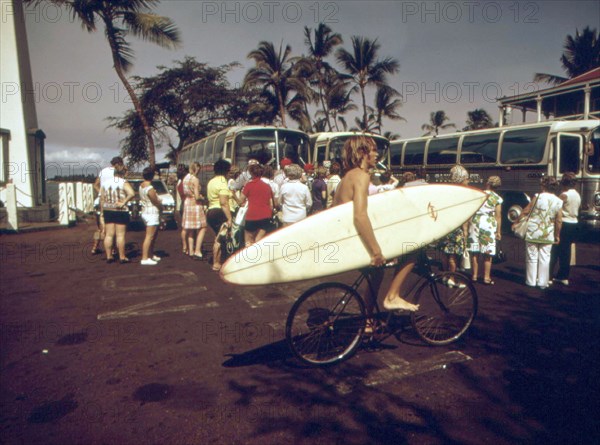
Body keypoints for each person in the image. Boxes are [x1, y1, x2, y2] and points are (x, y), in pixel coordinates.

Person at [333, 136, 418, 333]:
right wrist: (376, 250)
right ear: (362, 153)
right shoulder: (361, 176)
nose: (377, 154)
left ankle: (368, 321)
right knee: (413, 247)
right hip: (359, 241)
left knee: (376, 275)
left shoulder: (344, 179)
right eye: (373, 150)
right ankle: (392, 296)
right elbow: (360, 216)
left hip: (349, 239)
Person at [513, 176, 563, 289]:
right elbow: (559, 220)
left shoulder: (537, 196)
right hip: (548, 233)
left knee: (531, 257)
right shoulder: (559, 201)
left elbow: (526, 211)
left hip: (533, 231)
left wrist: (516, 221)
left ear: (543, 185)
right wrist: (557, 235)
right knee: (545, 258)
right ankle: (543, 283)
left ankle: (530, 281)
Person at [437, 165, 470, 285]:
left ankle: (446, 276)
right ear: (460, 179)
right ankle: (452, 278)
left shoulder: (447, 192)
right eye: (466, 178)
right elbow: (464, 215)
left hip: (446, 227)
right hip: (456, 229)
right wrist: (465, 230)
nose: (468, 181)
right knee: (454, 255)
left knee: (445, 254)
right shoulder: (463, 194)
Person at [467, 176, 503, 284]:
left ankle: (474, 275)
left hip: (476, 221)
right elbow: (498, 216)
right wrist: (498, 231)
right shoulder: (497, 198)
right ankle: (486, 277)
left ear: (487, 183)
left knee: (475, 251)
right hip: (488, 223)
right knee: (488, 252)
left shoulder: (479, 194)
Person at [99, 160, 135, 264]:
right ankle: (122, 257)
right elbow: (132, 193)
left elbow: (102, 198)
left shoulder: (105, 183)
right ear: (123, 173)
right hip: (120, 210)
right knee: (120, 235)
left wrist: (102, 212)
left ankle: (109, 256)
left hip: (107, 209)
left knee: (109, 234)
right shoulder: (123, 182)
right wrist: (124, 202)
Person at [551, 172, 581, 286]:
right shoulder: (577, 194)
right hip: (574, 223)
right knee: (566, 251)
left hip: (564, 223)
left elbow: (555, 207)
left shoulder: (564, 195)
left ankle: (549, 274)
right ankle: (563, 275)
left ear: (565, 183)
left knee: (556, 249)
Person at [206, 159, 234, 271]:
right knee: (220, 238)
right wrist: (229, 218)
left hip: (211, 211)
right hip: (220, 213)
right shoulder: (223, 183)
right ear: (226, 170)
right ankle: (216, 263)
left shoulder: (211, 181)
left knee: (218, 237)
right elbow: (223, 202)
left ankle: (218, 261)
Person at [240, 163, 274, 245]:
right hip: (265, 216)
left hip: (252, 215)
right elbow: (271, 205)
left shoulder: (248, 185)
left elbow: (241, 200)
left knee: (248, 241)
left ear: (251, 173)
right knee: (258, 241)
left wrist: (233, 195)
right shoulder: (267, 186)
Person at [181, 162, 207, 260]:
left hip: (187, 203)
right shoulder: (195, 179)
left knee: (191, 229)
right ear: (196, 169)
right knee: (203, 227)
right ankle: (197, 250)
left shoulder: (186, 178)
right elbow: (196, 196)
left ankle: (190, 251)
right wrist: (202, 198)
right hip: (195, 205)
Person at [139, 167, 163, 266]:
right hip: (151, 212)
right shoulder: (150, 188)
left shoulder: (141, 186)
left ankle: (150, 254)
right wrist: (160, 205)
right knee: (149, 236)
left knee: (153, 236)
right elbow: (155, 201)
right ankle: (144, 258)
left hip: (146, 211)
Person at [175, 164, 189, 254]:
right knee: (189, 228)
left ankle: (185, 246)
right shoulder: (185, 182)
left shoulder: (179, 183)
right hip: (187, 204)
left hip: (181, 205)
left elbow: (178, 198)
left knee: (184, 227)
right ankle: (187, 245)